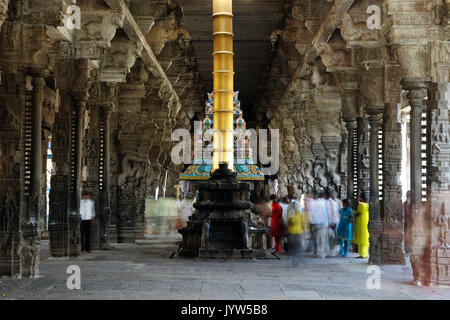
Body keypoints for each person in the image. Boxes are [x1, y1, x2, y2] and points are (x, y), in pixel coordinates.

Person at [309, 191, 329, 258]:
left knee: (318, 239)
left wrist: (311, 222)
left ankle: (319, 253)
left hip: (317, 223)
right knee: (322, 239)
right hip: (323, 223)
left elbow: (312, 213)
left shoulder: (315, 203)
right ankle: (321, 253)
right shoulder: (325, 203)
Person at [286, 200, 304, 267]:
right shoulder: (296, 214)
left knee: (294, 246)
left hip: (293, 232)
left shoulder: (293, 214)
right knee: (296, 246)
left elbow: (288, 223)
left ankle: (295, 258)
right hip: (295, 232)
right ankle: (295, 258)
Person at [354, 192, 369, 258]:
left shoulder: (361, 205)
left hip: (361, 223)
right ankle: (365, 254)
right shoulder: (367, 205)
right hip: (366, 222)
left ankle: (362, 254)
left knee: (361, 238)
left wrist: (353, 212)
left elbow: (358, 214)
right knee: (365, 239)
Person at [327, 190, 341, 256]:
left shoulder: (338, 201)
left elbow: (340, 210)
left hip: (337, 220)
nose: (333, 195)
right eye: (332, 194)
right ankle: (331, 250)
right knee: (330, 236)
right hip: (330, 221)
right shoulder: (328, 201)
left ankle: (336, 250)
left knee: (336, 235)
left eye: (334, 194)